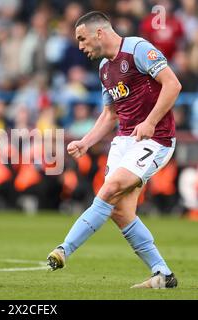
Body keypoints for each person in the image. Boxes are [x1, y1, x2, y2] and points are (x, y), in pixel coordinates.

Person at [47, 11, 181, 289]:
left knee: (107, 191)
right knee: (120, 212)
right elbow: (110, 114)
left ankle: (63, 249)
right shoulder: (104, 69)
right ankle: (163, 274)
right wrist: (86, 141)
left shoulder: (138, 49)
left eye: (82, 39)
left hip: (156, 139)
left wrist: (151, 121)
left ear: (99, 33)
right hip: (124, 141)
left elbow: (173, 84)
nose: (80, 46)